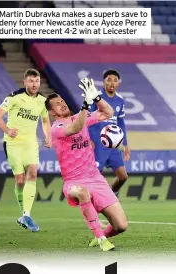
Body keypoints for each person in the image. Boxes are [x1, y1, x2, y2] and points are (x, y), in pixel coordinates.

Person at [46, 78, 128, 251]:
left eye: (62, 101)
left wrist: (97, 97)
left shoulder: (80, 118)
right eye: (57, 105)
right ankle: (100, 239)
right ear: (52, 113)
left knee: (121, 226)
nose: (62, 104)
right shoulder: (57, 127)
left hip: (95, 178)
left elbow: (108, 112)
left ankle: (102, 235)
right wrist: (85, 105)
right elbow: (75, 128)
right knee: (82, 192)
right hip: (73, 182)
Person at [0, 68, 51, 232]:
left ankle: (27, 215)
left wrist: (48, 136)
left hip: (31, 143)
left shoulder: (42, 101)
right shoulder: (14, 97)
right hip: (13, 143)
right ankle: (23, 212)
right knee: (20, 180)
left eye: (37, 81)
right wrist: (8, 130)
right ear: (25, 82)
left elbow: (45, 121)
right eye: (31, 81)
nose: (34, 84)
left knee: (33, 172)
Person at [88, 69, 130, 196]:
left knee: (123, 176)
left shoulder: (120, 100)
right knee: (95, 174)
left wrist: (126, 144)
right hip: (98, 142)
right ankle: (93, 201)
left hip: (113, 145)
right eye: (109, 80)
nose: (112, 83)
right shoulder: (97, 98)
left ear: (119, 84)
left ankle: (112, 194)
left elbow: (121, 122)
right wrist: (89, 139)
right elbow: (87, 118)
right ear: (104, 82)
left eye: (115, 80)